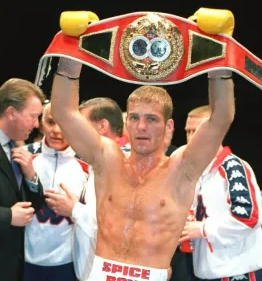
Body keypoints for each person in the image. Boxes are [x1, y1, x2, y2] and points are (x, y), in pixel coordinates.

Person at [50, 57, 235, 280]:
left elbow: (220, 118)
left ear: (168, 126)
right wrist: (70, 55)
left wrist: (220, 60)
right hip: (100, 273)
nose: (141, 127)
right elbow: (63, 112)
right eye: (135, 117)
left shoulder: (180, 170)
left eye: (151, 119)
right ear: (126, 122)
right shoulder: (107, 159)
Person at [179, 105, 262, 280]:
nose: (190, 138)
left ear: (216, 132)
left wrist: (203, 228)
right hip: (205, 272)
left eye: (196, 131)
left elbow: (248, 217)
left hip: (236, 273)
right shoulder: (197, 172)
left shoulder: (234, 168)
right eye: (188, 131)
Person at [45, 97, 128, 281]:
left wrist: (73, 209)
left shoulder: (121, 166)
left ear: (102, 126)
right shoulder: (99, 162)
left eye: (80, 124)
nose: (73, 132)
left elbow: (113, 229)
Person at [22, 102, 89, 281]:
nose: (57, 130)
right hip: (25, 259)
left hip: (68, 262)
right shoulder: (23, 156)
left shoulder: (88, 165)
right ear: (41, 122)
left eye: (64, 123)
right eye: (51, 122)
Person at [0, 78, 45, 281]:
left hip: (11, 264)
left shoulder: (15, 147)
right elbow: (13, 214)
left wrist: (31, 175)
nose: (37, 124)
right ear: (11, 112)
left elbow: (33, 206)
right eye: (33, 116)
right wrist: (7, 216)